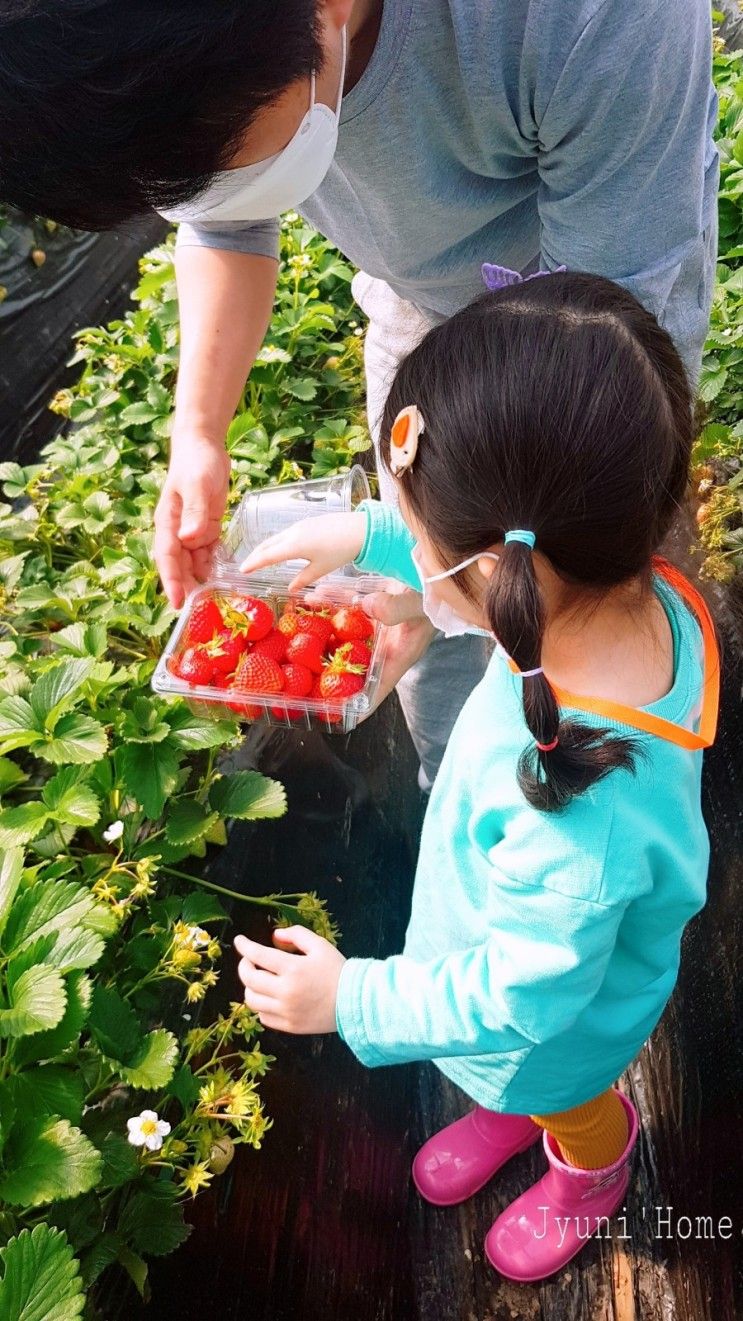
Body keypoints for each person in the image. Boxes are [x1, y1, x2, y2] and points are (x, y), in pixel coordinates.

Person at [0, 0, 719, 788]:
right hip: (422, 317)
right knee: (437, 662)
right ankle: (455, 781)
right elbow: (224, 220)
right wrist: (199, 432)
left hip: (593, 356)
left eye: (224, 164)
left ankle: (561, 787)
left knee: (581, 611)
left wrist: (442, 583)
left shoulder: (591, 18)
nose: (209, 196)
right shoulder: (202, 64)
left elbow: (593, 389)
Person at [233, 270, 719, 1282]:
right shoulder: (621, 591)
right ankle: (504, 1105)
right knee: (509, 1073)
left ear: (499, 573)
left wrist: (352, 1000)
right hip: (513, 955)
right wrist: (371, 538)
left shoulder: (581, 818)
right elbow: (502, 564)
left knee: (560, 1095)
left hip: (554, 1024)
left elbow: (519, 1000)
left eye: (415, 535)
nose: (407, 547)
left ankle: (590, 1165)